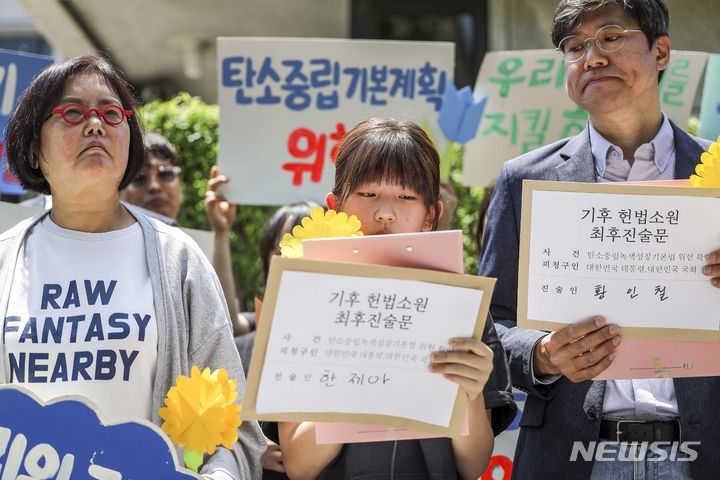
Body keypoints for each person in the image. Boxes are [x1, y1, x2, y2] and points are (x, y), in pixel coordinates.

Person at [478, 1, 720, 478]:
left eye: (610, 37)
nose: (591, 57)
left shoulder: (715, 175)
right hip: (571, 455)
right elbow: (489, 326)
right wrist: (543, 354)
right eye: (574, 47)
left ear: (662, 51)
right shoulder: (524, 180)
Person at [0, 55, 265, 479]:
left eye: (110, 112)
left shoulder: (178, 259)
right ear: (34, 150)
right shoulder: (5, 260)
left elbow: (234, 429)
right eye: (72, 112)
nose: (94, 125)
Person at [278, 118, 516, 480]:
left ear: (431, 215)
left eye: (406, 197)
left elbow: (473, 466)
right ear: (335, 204)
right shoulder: (302, 304)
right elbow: (299, 464)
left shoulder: (463, 307)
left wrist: (470, 393)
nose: (385, 213)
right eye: (368, 194)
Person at [119, 131, 184, 223]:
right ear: (118, 194)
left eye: (166, 175)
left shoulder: (188, 237)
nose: (155, 187)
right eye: (139, 178)